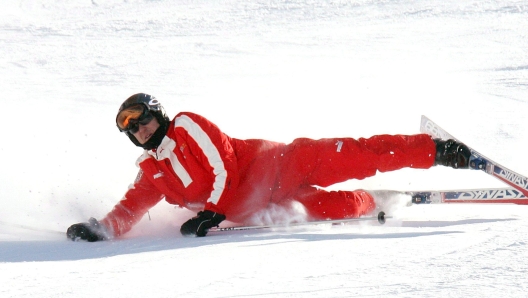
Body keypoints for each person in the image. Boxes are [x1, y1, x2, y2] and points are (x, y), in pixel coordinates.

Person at [66, 93, 471, 241]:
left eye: (141, 117)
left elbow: (223, 165)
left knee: (359, 156)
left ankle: (436, 151)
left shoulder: (187, 126)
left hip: (282, 166)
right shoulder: (151, 171)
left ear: (158, 113)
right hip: (261, 210)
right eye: (129, 127)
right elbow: (132, 205)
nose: (138, 128)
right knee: (340, 209)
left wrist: (212, 212)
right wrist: (101, 229)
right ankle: (377, 200)